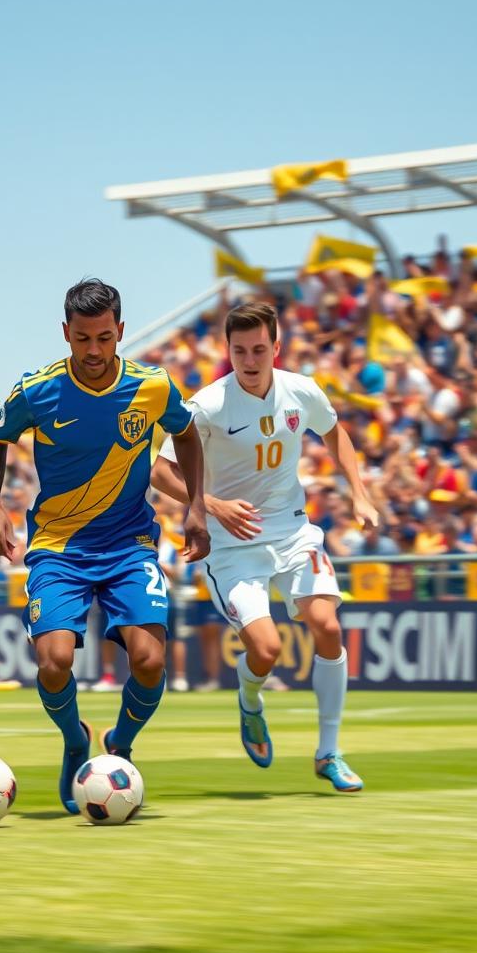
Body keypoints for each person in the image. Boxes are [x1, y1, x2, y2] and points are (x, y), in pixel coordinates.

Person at [0, 278, 209, 813]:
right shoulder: (36, 390)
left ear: (120, 332)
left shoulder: (152, 386)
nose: (94, 351)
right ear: (66, 334)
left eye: (104, 338)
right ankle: (74, 739)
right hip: (58, 546)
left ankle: (120, 747)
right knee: (54, 660)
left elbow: (186, 434)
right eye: (83, 339)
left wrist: (196, 505)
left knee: (150, 661)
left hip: (130, 544)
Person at [152, 300, 377, 793]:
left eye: (259, 349)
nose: (250, 361)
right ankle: (250, 700)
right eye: (239, 351)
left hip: (294, 532)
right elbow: (160, 470)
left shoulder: (302, 392)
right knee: (267, 649)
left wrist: (359, 493)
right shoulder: (208, 404)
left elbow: (337, 435)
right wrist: (212, 505)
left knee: (327, 626)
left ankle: (329, 753)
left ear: (277, 347)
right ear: (227, 351)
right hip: (232, 549)